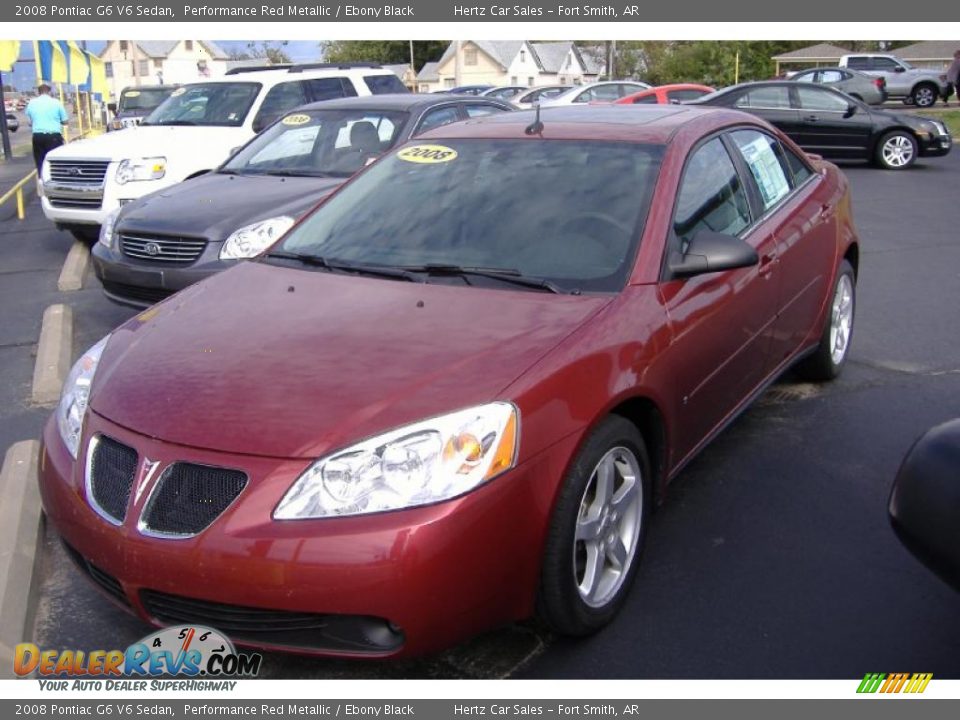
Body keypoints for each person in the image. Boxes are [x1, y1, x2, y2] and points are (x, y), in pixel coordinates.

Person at [25, 83, 68, 172]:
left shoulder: (31, 103)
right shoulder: (56, 103)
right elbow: (65, 121)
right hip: (53, 136)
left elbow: (29, 123)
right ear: (49, 92)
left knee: (40, 161)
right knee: (56, 161)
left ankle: (42, 179)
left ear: (38, 92)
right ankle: (56, 179)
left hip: (38, 136)